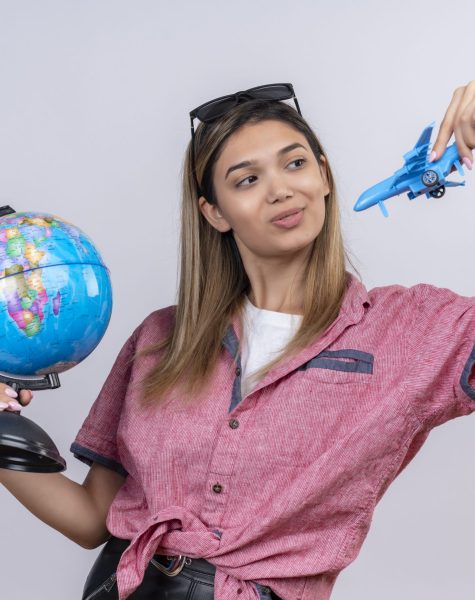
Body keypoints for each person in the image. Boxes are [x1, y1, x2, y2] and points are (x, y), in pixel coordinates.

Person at [1, 81, 475, 600]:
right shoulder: (160, 339)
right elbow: (92, 518)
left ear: (324, 176)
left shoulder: (413, 330)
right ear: (215, 213)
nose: (279, 190)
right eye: (247, 180)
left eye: (295, 164)